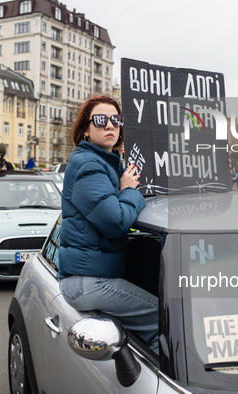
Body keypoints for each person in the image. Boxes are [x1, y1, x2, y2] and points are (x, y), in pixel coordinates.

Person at [58, 95, 156, 354]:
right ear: (86, 130)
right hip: (90, 281)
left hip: (94, 275)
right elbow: (117, 222)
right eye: (101, 120)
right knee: (164, 317)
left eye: (116, 120)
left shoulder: (104, 164)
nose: (110, 125)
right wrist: (129, 190)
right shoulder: (89, 165)